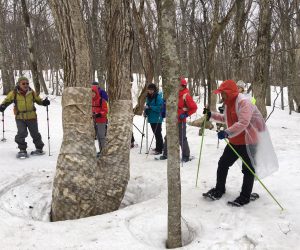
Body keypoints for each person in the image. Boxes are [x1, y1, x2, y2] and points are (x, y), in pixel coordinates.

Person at [202, 79, 278, 206]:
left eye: (223, 93)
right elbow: (226, 119)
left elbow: (244, 122)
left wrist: (227, 132)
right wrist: (211, 115)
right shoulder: (228, 103)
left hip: (249, 141)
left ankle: (245, 196)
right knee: (223, 163)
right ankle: (219, 189)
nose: (221, 95)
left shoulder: (243, 102)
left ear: (229, 92)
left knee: (248, 170)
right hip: (235, 141)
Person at [0, 76, 50, 157]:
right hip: (20, 117)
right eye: (23, 83)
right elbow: (7, 101)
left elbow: (39, 101)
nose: (26, 85)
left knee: (35, 133)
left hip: (31, 117)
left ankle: (39, 148)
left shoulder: (31, 92)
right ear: (19, 84)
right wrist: (3, 106)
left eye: (27, 83)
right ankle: (22, 150)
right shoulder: (14, 93)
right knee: (21, 133)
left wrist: (44, 102)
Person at [159, 78, 198, 162]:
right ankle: (166, 154)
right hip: (171, 119)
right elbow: (167, 104)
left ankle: (186, 156)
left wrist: (186, 114)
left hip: (181, 120)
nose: (178, 86)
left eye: (180, 85)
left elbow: (194, 108)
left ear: (183, 86)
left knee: (182, 138)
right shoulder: (172, 94)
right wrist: (163, 111)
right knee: (168, 137)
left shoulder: (185, 95)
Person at [144, 83, 164, 155]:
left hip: (157, 118)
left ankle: (159, 149)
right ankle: (159, 147)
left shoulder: (158, 97)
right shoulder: (148, 97)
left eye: (151, 90)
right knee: (156, 133)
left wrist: (150, 107)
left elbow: (160, 108)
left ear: (154, 90)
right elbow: (147, 105)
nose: (150, 91)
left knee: (158, 133)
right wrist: (146, 111)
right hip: (151, 118)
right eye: (149, 89)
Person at [91, 84, 108, 156]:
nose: (92, 94)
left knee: (101, 136)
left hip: (101, 120)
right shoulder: (91, 101)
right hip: (94, 121)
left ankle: (104, 152)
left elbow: (105, 110)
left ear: (96, 92)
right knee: (98, 136)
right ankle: (101, 151)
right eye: (91, 93)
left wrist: (99, 114)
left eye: (93, 92)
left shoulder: (102, 100)